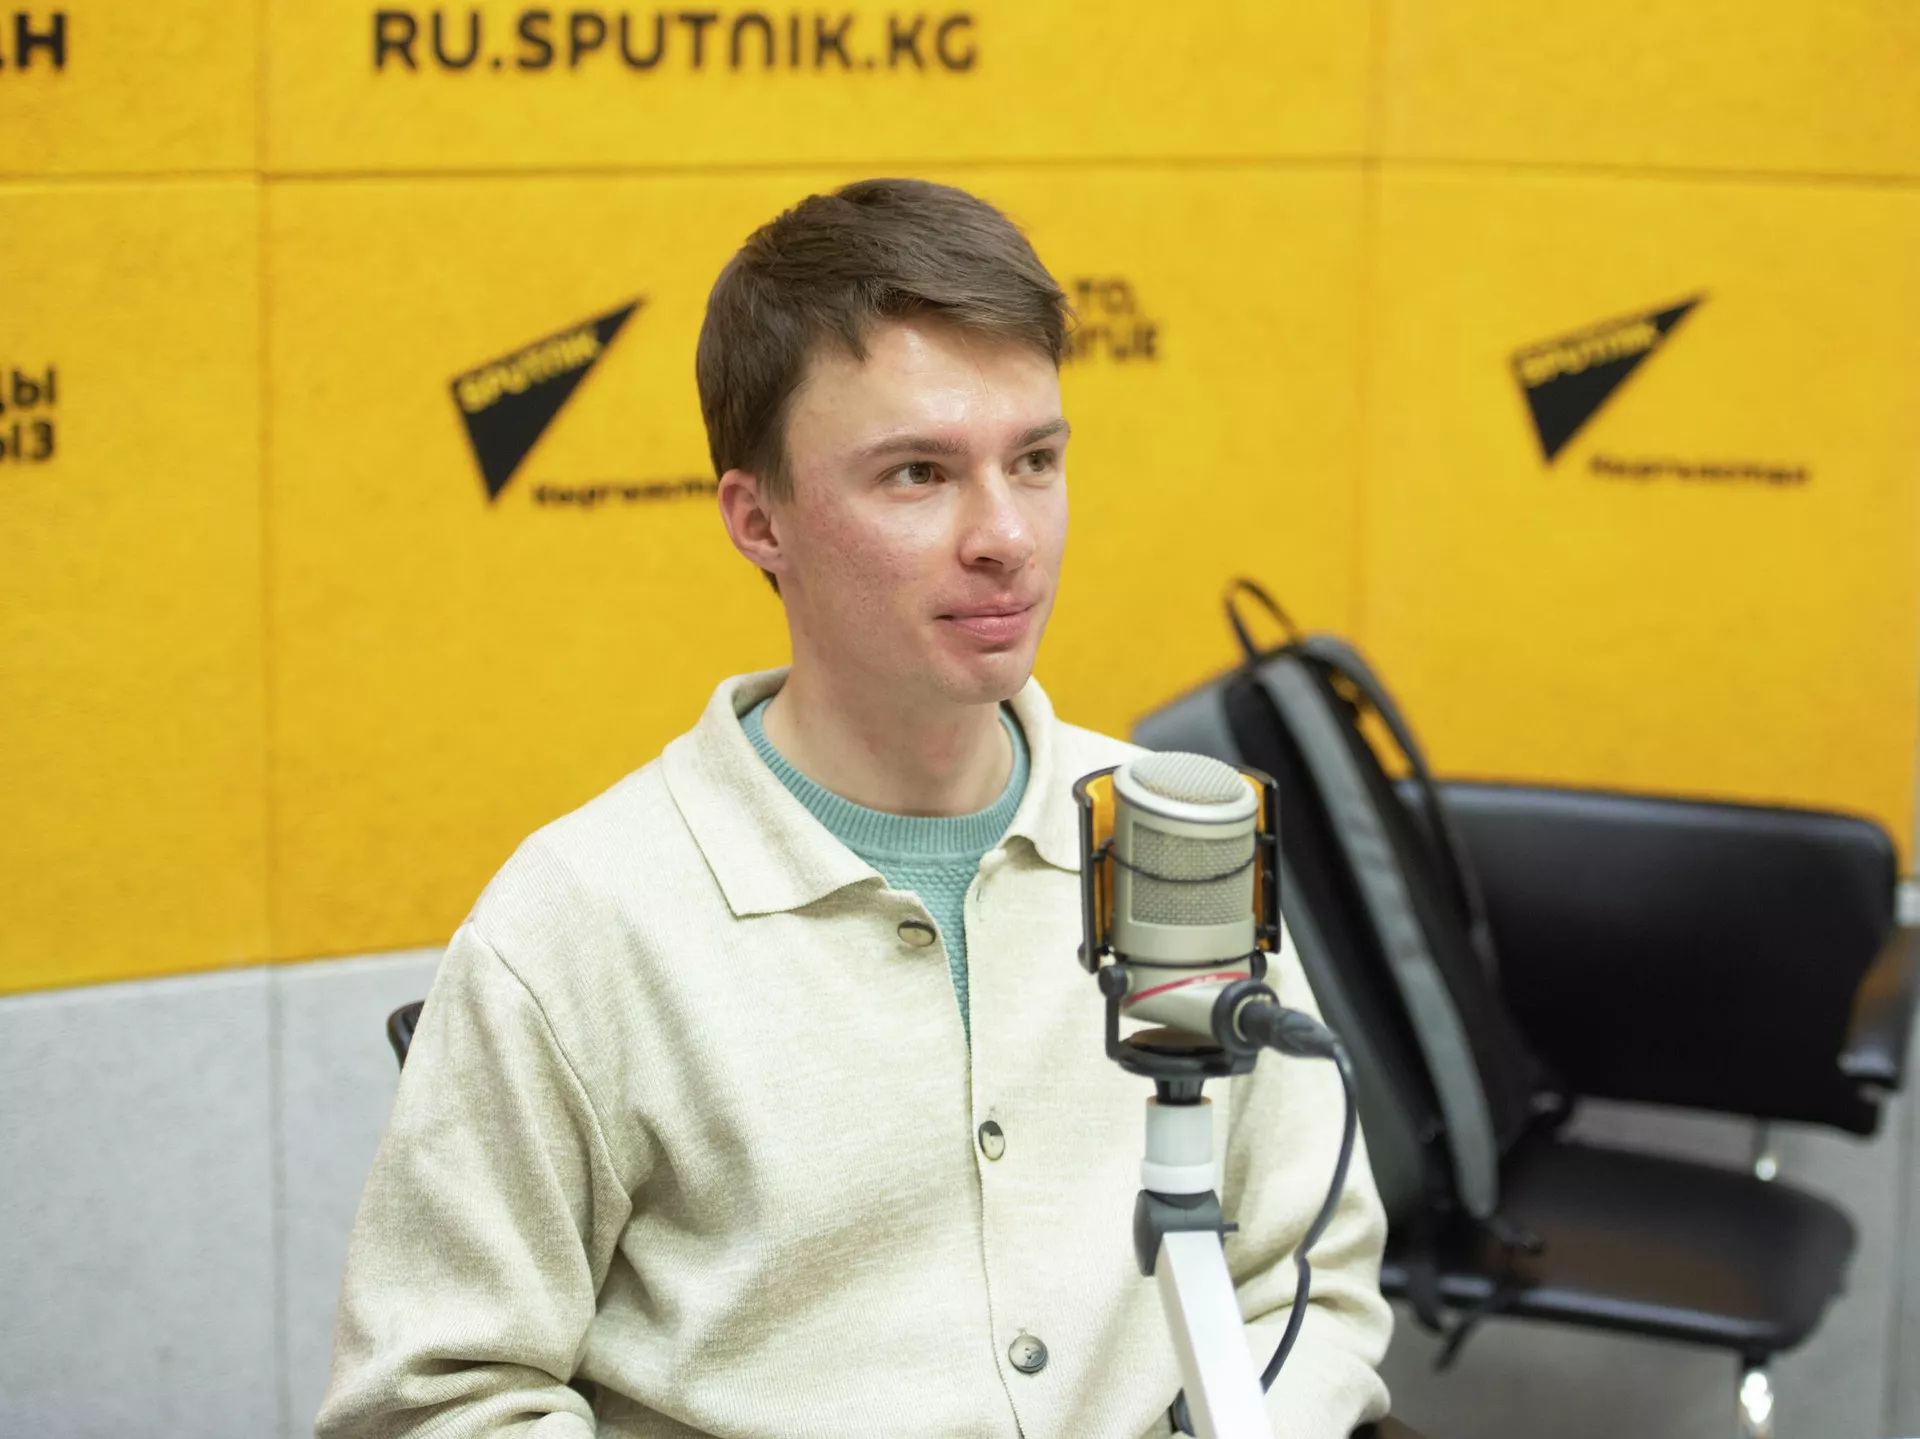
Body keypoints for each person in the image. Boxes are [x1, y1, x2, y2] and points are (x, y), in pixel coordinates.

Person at [317, 177, 1392, 1439]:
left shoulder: (1168, 837)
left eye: (1035, 461)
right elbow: (436, 1401)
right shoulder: (579, 922)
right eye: (919, 473)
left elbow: (1308, 1278)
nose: (1007, 535)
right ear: (758, 518)